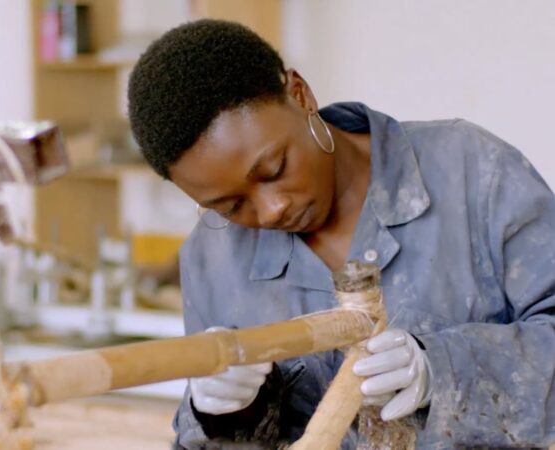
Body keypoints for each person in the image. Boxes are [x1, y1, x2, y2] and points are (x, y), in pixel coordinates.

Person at [127, 19, 555, 449]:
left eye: (275, 169)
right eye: (231, 206)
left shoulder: (471, 171)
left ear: (300, 95)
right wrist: (222, 415)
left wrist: (443, 370)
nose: (272, 209)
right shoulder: (212, 258)